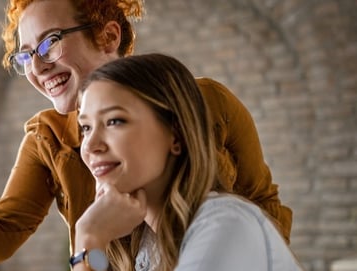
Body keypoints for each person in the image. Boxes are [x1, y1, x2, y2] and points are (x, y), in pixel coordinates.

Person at [0, 0, 293, 270]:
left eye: (49, 42)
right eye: (26, 55)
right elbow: (0, 232)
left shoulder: (206, 114)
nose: (39, 66)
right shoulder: (49, 137)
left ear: (108, 36)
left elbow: (262, 209)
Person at [72, 53, 301, 271]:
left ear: (177, 134)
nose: (90, 146)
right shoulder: (146, 247)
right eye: (86, 127)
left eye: (114, 121)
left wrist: (89, 239)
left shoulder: (225, 225)